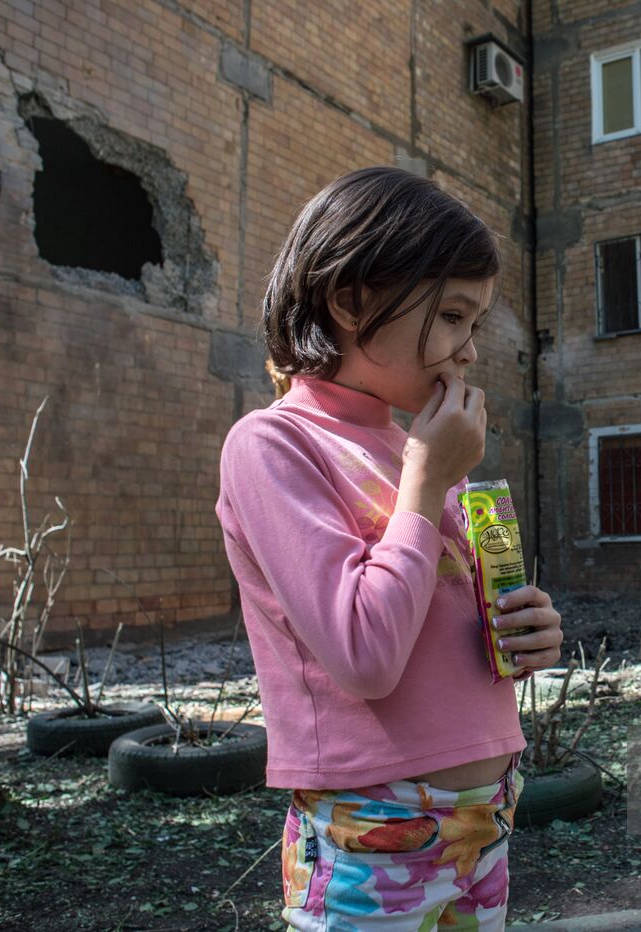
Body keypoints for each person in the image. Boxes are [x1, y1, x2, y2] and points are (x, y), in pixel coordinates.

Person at [216, 167, 563, 929]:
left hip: (485, 818)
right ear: (351, 301)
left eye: (473, 324)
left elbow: (430, 619)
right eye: (449, 316)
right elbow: (366, 655)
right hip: (372, 826)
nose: (467, 351)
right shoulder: (273, 444)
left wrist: (524, 629)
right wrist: (427, 476)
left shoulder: (414, 452)